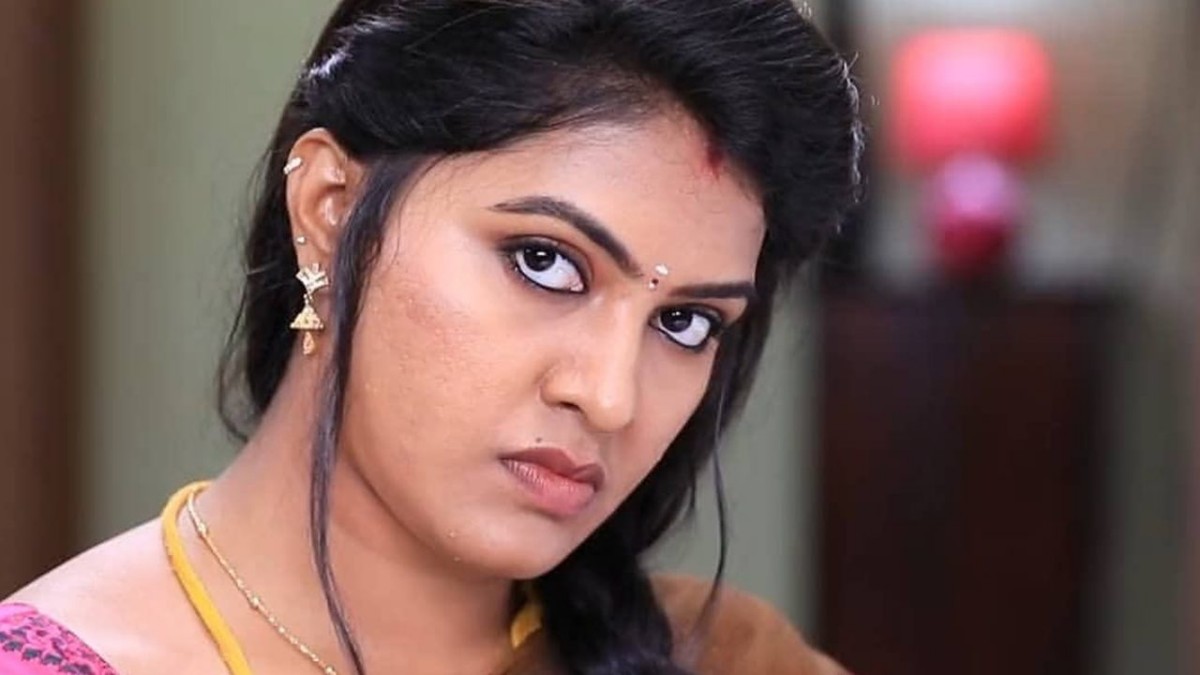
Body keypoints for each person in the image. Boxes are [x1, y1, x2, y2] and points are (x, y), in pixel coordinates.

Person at [1, 1, 862, 673]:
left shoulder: (723, 655)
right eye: (544, 262)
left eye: (685, 321)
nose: (609, 396)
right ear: (329, 210)